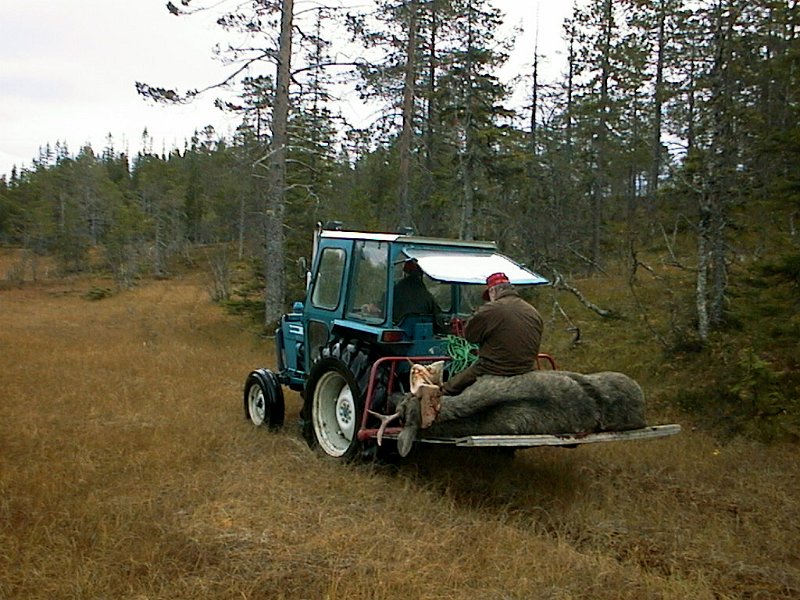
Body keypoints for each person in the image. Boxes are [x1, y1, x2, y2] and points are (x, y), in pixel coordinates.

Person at [441, 271, 544, 395]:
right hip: (528, 368)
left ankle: (441, 397)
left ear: (493, 291)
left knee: (452, 386)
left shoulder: (489, 310)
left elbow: (470, 337)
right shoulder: (532, 311)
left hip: (495, 368)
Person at [391, 259, 441, 326]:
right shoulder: (426, 295)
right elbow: (437, 316)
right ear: (420, 274)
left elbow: (382, 308)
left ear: (405, 273)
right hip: (424, 331)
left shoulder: (394, 291)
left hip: (399, 329)